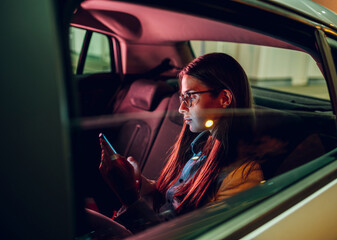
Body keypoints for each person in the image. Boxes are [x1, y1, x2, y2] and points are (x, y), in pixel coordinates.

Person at [98, 52, 264, 234]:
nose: (181, 108)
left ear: (224, 99)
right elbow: (180, 198)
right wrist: (140, 184)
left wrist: (129, 197)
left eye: (191, 97)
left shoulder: (242, 177)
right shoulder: (203, 145)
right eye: (182, 98)